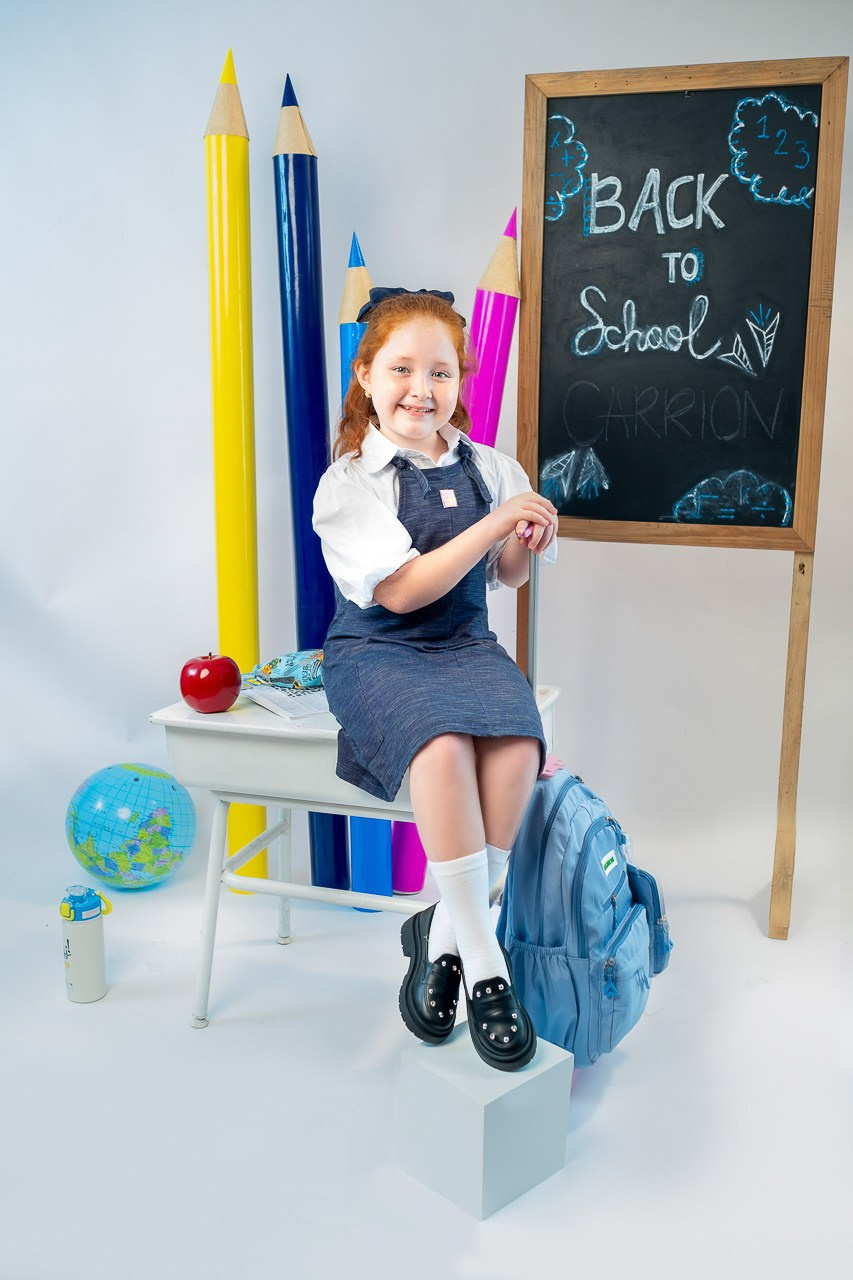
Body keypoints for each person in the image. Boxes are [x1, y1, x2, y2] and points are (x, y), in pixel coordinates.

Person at [312, 287, 558, 1072]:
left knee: (518, 746)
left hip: (464, 643)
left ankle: (442, 935)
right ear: (365, 376)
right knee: (442, 745)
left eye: (440, 373)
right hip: (378, 649)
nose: (421, 389)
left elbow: (508, 576)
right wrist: (494, 522)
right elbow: (401, 593)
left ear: (460, 381)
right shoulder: (350, 482)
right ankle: (485, 970)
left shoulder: (491, 467)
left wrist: (524, 534)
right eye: (401, 369)